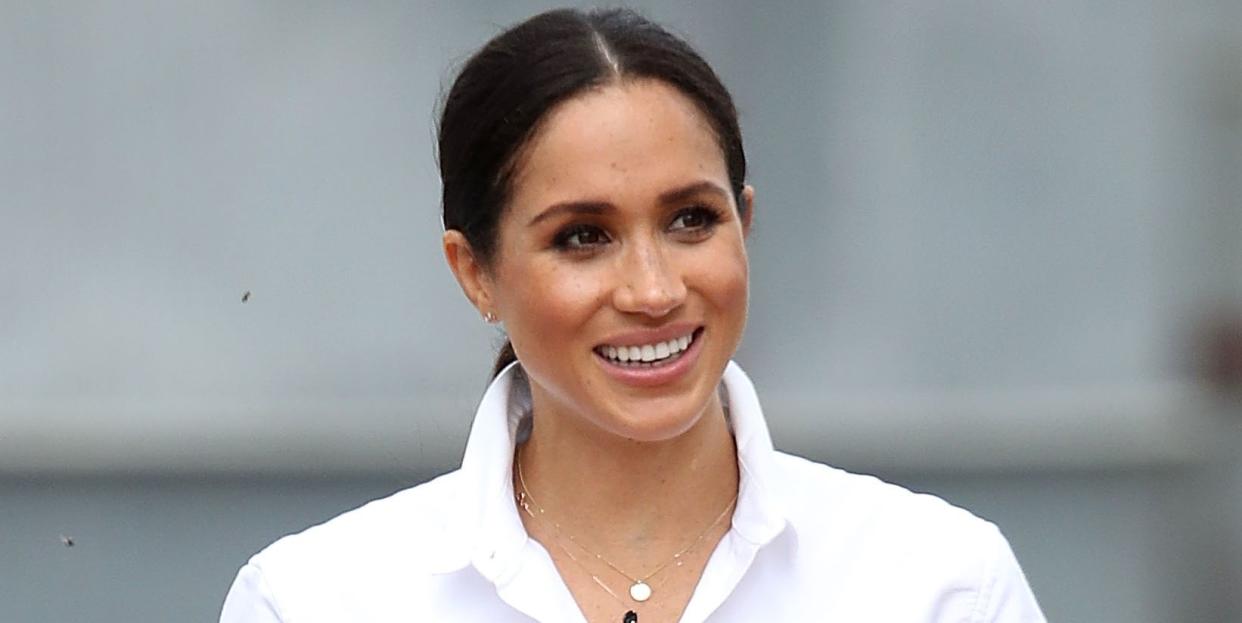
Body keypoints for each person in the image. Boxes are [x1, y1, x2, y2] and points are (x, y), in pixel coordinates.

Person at [219, 7, 1046, 622]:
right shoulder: (318, 599)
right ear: (475, 273)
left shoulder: (939, 584)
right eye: (584, 236)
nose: (653, 290)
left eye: (691, 219)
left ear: (745, 223)